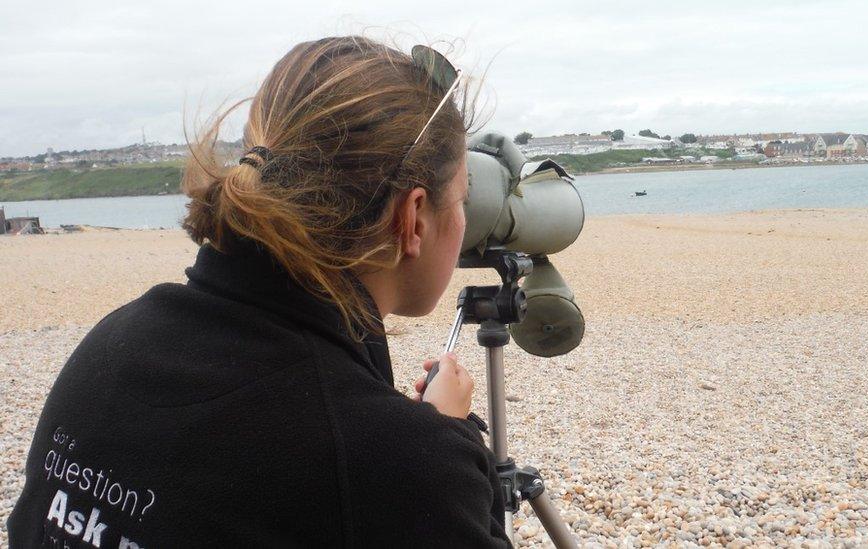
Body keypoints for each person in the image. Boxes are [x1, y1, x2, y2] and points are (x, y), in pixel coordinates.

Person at [7, 36, 511, 547]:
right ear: (413, 218)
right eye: (462, 196)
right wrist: (449, 439)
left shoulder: (112, 343)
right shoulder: (392, 462)